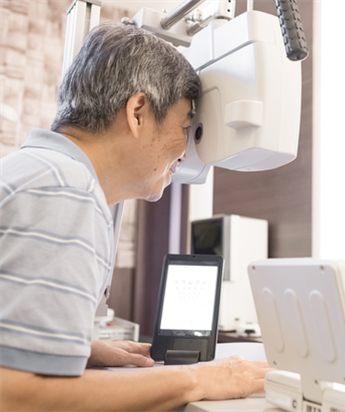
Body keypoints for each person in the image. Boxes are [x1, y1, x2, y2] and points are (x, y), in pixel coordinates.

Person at [0, 22, 270, 411]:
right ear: (138, 112)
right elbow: (20, 397)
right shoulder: (66, 191)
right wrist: (198, 379)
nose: (183, 154)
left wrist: (80, 351)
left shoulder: (39, 171)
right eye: (184, 128)